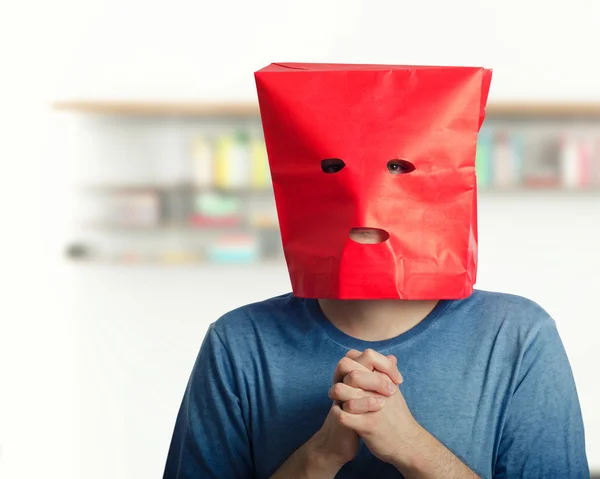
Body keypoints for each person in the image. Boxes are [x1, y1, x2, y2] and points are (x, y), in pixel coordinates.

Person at [163, 63, 589, 478]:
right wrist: (321, 457)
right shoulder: (239, 342)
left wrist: (412, 448)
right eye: (333, 168)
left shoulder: (517, 336)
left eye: (399, 168)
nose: (365, 197)